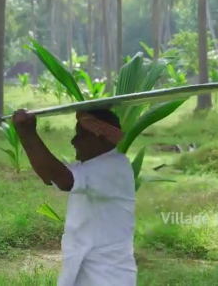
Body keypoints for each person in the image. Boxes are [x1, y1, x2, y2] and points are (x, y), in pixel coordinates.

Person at [11, 108, 137, 286]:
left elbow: (62, 180)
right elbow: (50, 177)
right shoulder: (90, 165)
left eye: (80, 135)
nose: (73, 141)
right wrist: (25, 134)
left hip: (108, 273)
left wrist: (27, 132)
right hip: (84, 265)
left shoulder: (113, 167)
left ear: (100, 137)